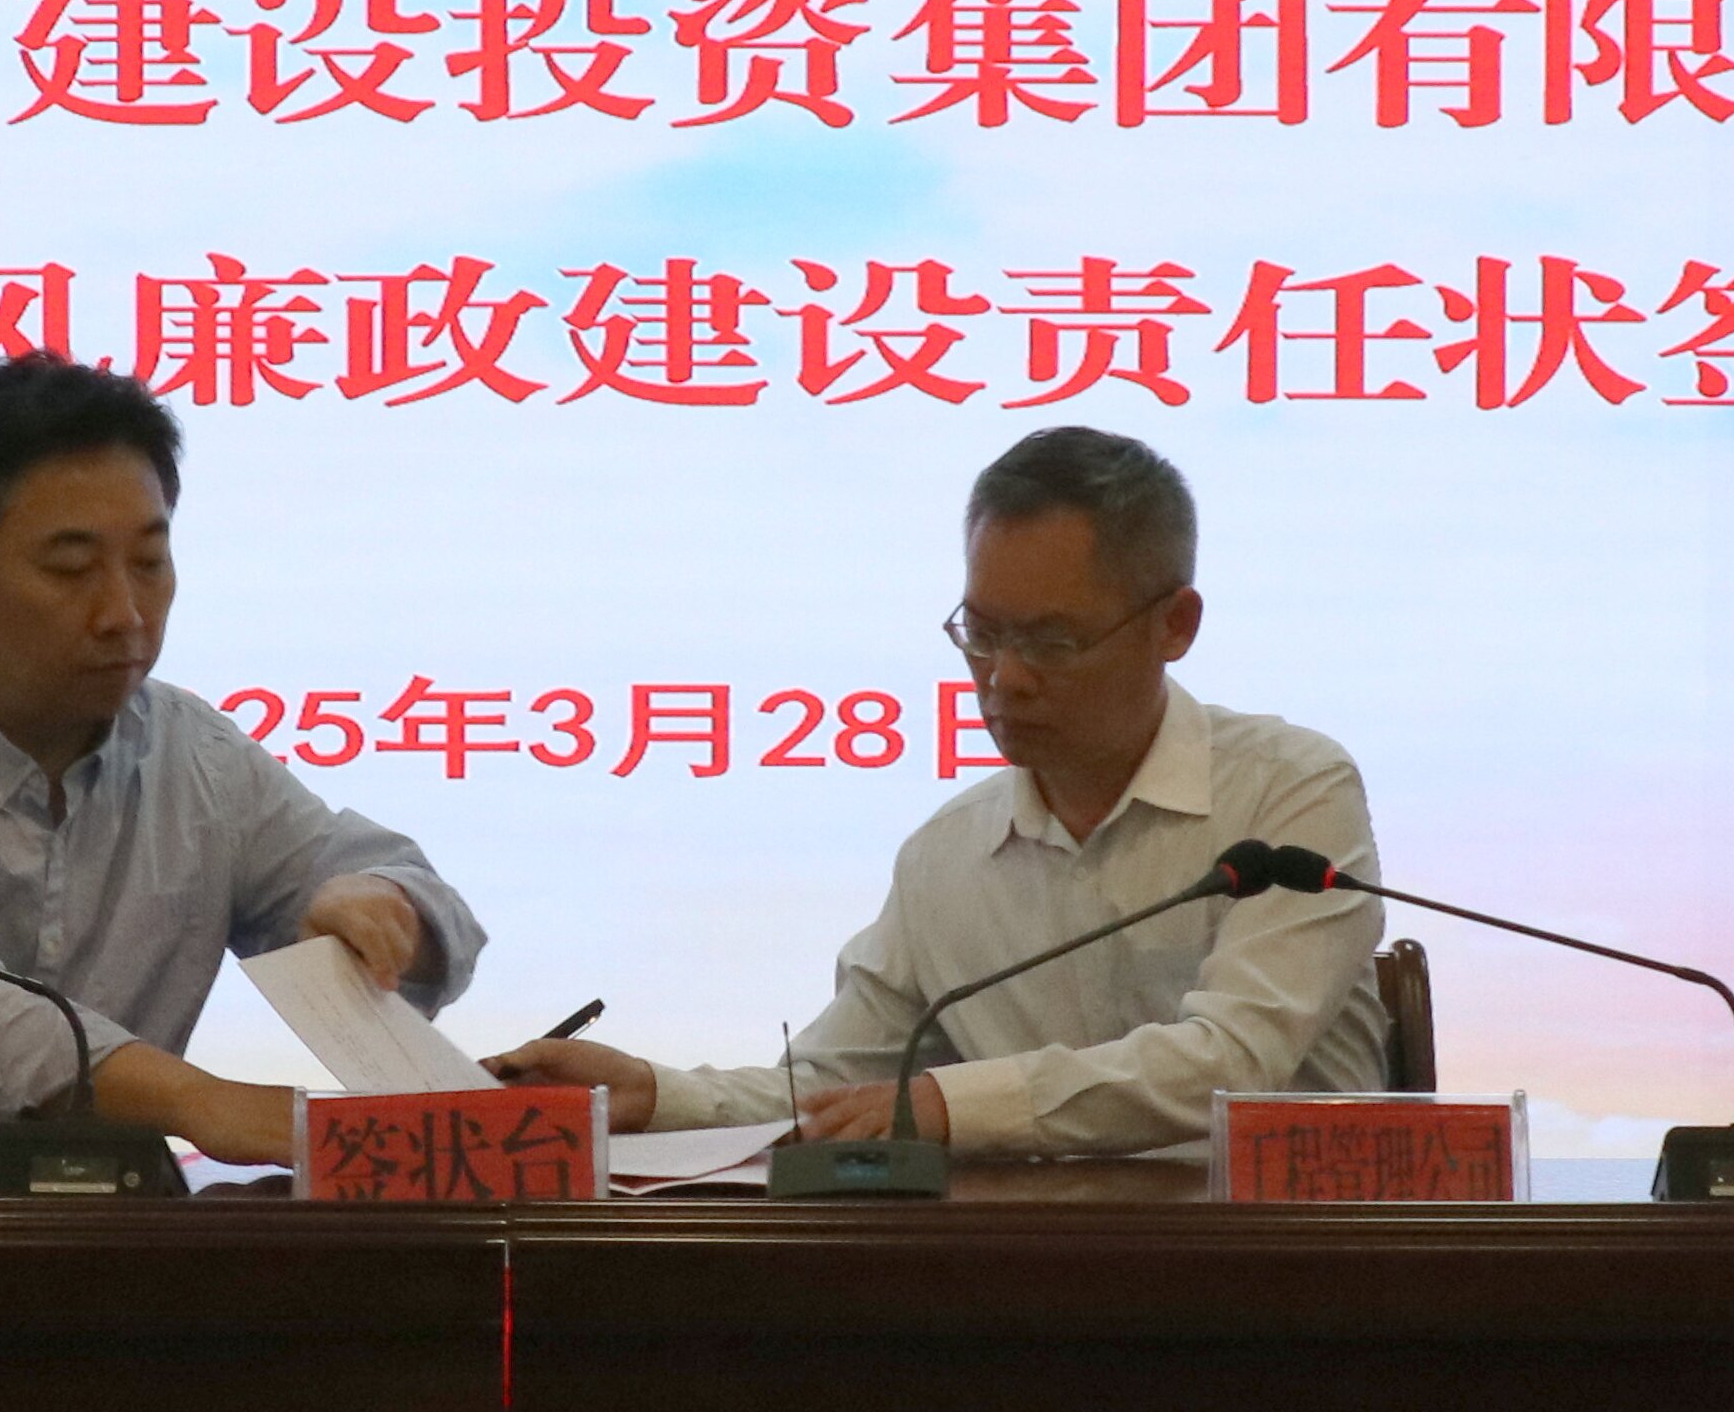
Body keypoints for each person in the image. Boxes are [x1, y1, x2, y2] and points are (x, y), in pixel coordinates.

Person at [494, 426, 1385, 1155]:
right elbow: (833, 1085)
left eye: (1052, 642)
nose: (1005, 678)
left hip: (1289, 1269)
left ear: (1175, 625)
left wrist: (949, 1103)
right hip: (1030, 1271)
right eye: (981, 634)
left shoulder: (1291, 796)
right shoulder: (948, 854)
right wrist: (651, 1093)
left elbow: (1231, 1061)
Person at [0, 354, 482, 1162]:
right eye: (71, 569)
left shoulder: (199, 760)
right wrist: (199, 1102)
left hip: (96, 1223)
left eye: (149, 562)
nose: (124, 614)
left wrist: (387, 906)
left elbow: (405, 893)